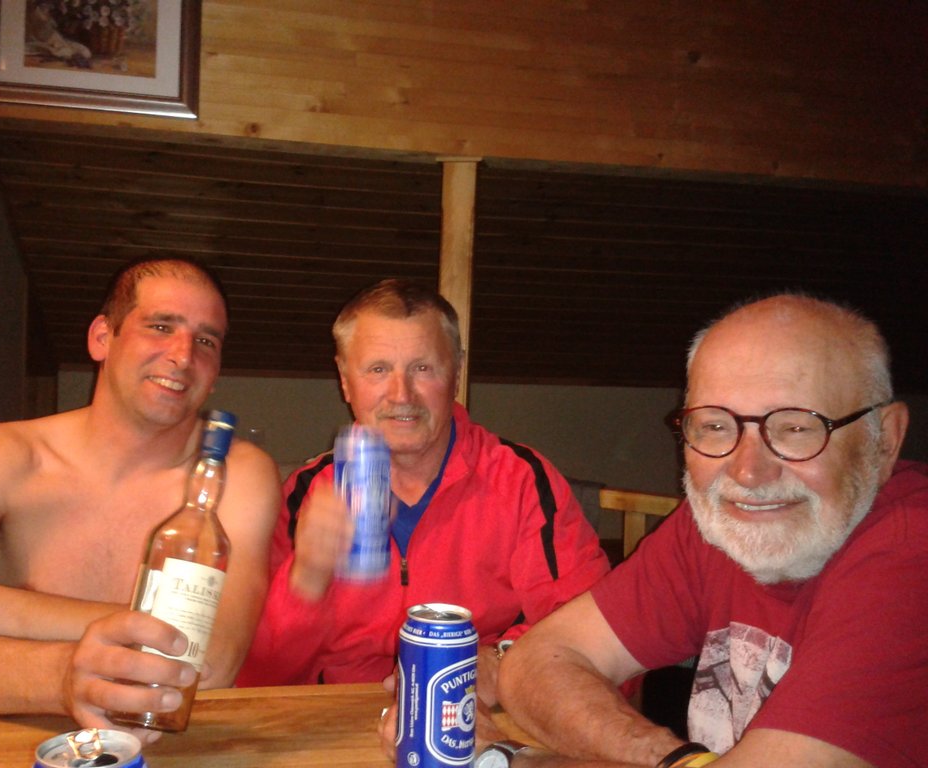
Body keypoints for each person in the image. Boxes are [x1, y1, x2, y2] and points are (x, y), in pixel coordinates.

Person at [495, 293, 927, 767]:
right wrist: (677, 760)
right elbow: (537, 664)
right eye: (716, 426)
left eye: (796, 428)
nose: (748, 473)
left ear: (885, 441)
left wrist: (523, 760)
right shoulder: (720, 527)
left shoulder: (911, 557)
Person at [0, 257, 281, 741]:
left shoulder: (237, 474)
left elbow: (211, 662)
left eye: (206, 341)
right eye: (160, 326)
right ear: (102, 337)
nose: (184, 356)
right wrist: (64, 677)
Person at [235, 278, 610, 703]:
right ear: (345, 379)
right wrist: (306, 580)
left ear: (456, 372)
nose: (401, 394)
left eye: (423, 368)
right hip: (342, 720)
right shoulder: (304, 495)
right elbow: (254, 681)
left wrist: (497, 663)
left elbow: (598, 639)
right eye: (378, 369)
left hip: (472, 714)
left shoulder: (521, 481)